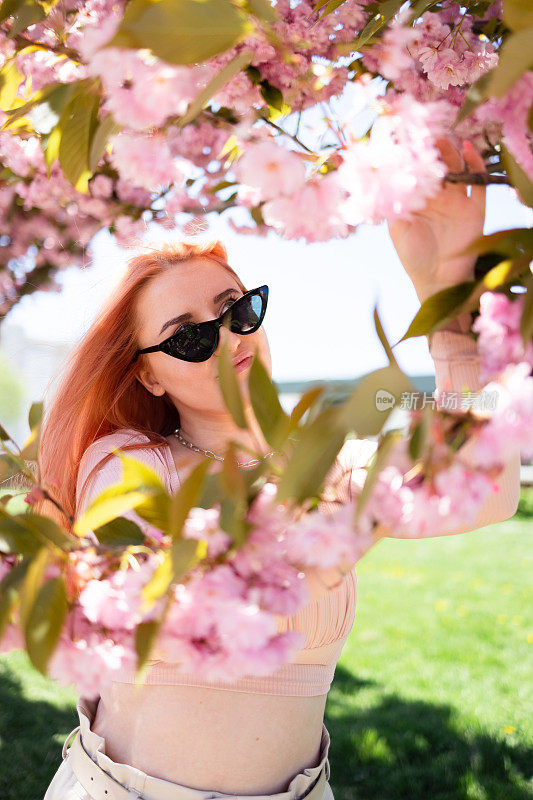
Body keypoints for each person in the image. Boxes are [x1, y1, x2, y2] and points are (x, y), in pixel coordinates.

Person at [39, 140, 520, 800]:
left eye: (238, 308)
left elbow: (487, 491)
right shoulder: (127, 464)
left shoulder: (325, 465)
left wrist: (445, 289)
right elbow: (154, 621)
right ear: (147, 373)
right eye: (188, 336)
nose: (231, 337)